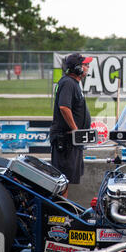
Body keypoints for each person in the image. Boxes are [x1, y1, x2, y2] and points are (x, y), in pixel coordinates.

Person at [50, 53, 92, 198]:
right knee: (63, 181)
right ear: (78, 68)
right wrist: (75, 130)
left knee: (67, 180)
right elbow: (64, 107)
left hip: (71, 141)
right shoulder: (68, 83)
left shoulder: (73, 84)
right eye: (86, 65)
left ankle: (63, 214)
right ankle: (60, 217)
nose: (88, 67)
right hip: (66, 141)